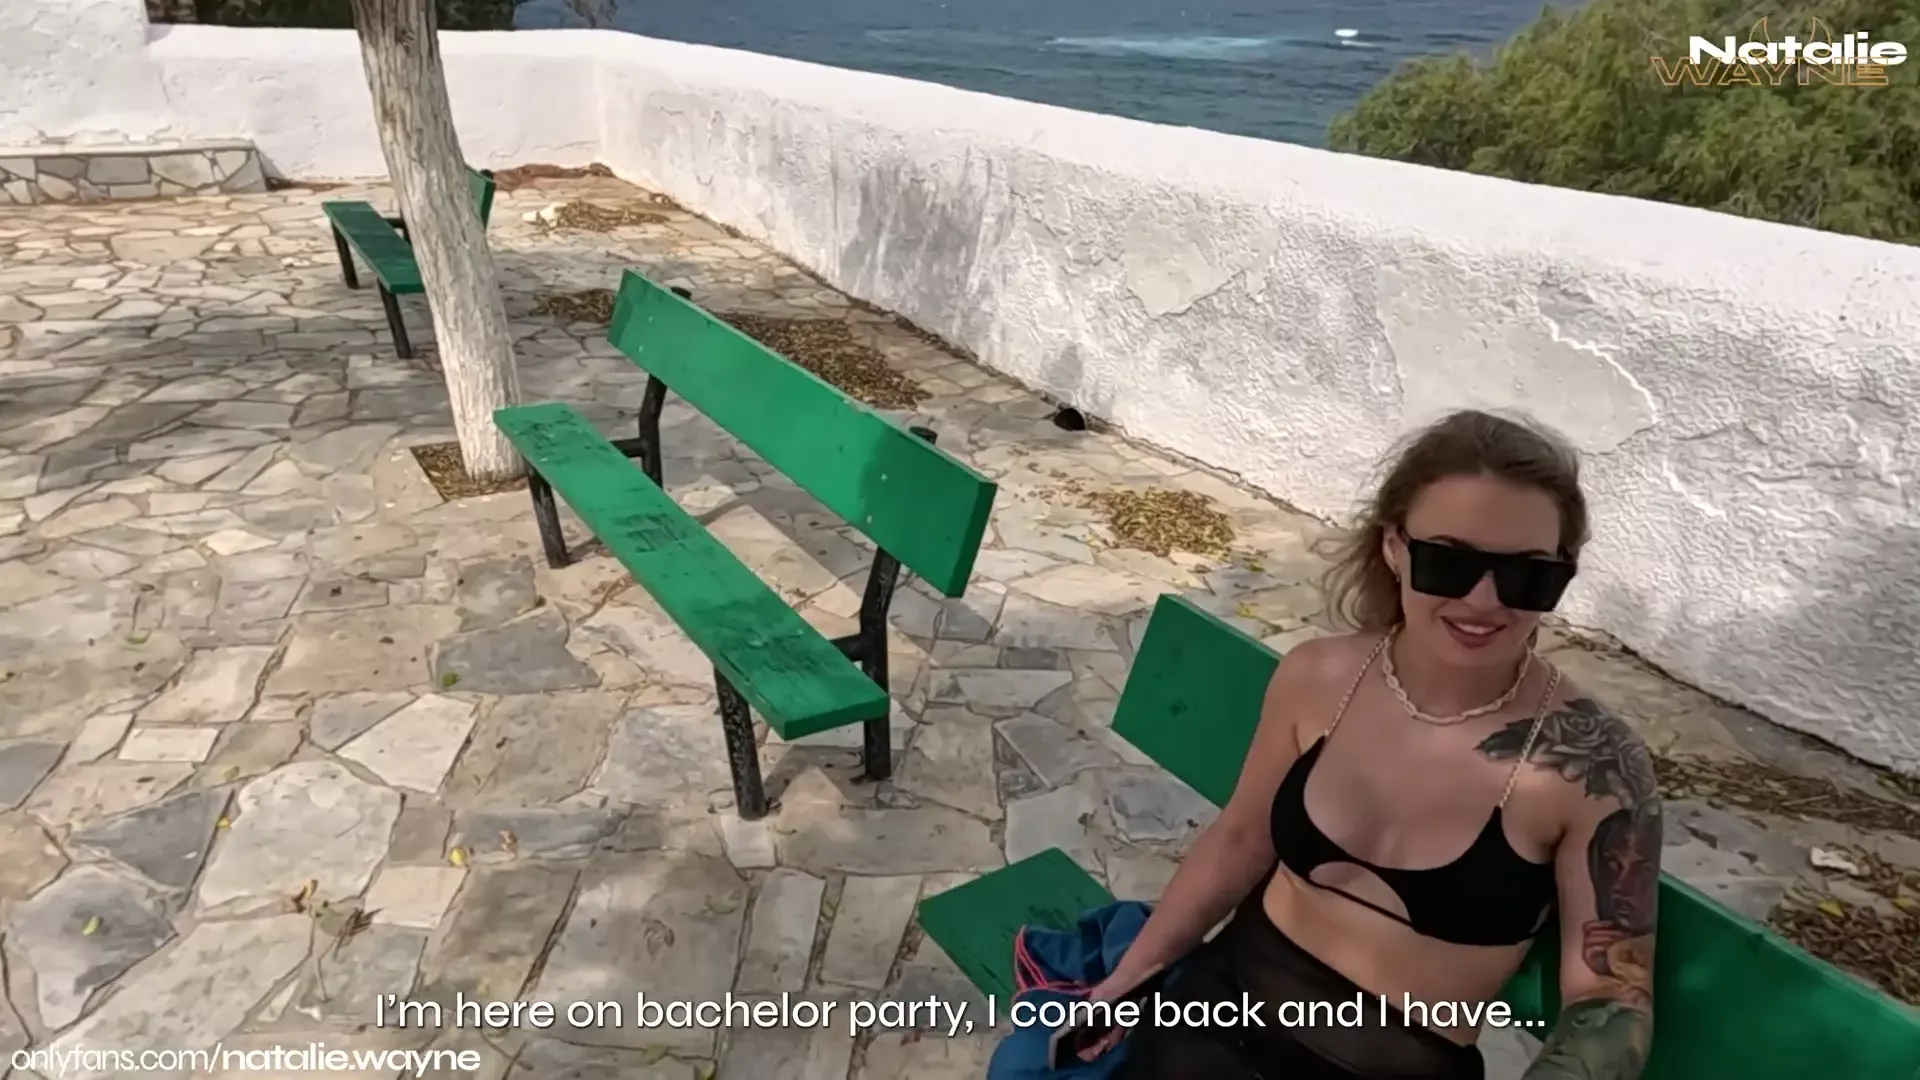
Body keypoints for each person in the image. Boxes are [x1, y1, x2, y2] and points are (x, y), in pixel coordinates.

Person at [1090, 410, 1661, 1080]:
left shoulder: (1593, 766)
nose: (1485, 601)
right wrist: (1126, 983)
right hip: (1214, 1017)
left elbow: (1611, 995)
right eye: (1450, 561)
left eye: (1528, 574)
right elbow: (1240, 837)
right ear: (1394, 547)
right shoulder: (1319, 677)